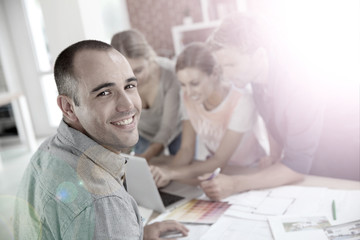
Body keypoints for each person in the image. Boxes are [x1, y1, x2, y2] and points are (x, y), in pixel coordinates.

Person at [13, 40, 188, 239]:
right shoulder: (104, 201)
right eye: (104, 93)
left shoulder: (48, 151)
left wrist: (135, 233)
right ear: (68, 107)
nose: (128, 104)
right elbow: (101, 215)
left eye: (130, 85)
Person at [199, 12, 327, 201]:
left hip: (338, 169)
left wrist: (235, 184)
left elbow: (297, 166)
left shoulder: (300, 84)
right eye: (222, 67)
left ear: (259, 55)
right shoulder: (256, 78)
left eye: (231, 65)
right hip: (308, 171)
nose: (225, 76)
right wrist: (274, 155)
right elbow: (270, 117)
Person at [150, 42, 266, 188]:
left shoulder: (241, 100)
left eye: (194, 83)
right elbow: (186, 150)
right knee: (160, 166)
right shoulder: (188, 97)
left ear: (215, 74)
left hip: (248, 171)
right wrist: (164, 173)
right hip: (214, 169)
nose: (189, 92)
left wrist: (171, 174)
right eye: (183, 84)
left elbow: (219, 160)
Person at [111, 29, 182, 161]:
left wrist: (145, 158)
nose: (133, 78)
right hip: (143, 133)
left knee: (180, 169)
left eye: (138, 70)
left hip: (175, 129)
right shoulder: (113, 81)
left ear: (149, 58)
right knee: (144, 174)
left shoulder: (170, 73)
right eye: (127, 72)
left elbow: (167, 128)